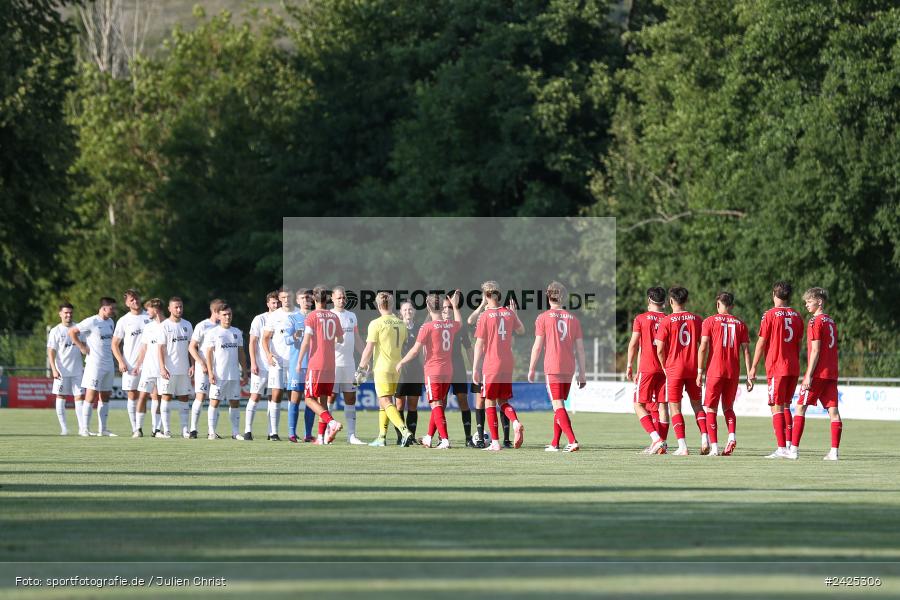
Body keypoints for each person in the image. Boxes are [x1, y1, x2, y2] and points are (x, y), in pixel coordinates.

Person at [397, 291, 462, 449]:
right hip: (448, 371)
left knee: (436, 403)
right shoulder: (450, 325)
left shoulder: (427, 327)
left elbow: (414, 351)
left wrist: (401, 362)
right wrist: (454, 305)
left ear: (428, 307)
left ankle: (445, 439)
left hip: (433, 371)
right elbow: (459, 322)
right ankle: (428, 437)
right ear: (442, 308)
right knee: (438, 404)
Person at [528, 281, 586, 453]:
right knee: (559, 405)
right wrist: (582, 373)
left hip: (553, 365)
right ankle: (554, 443)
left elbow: (537, 346)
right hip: (569, 366)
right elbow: (581, 349)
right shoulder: (574, 319)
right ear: (564, 297)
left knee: (557, 405)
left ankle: (572, 440)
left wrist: (531, 368)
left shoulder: (543, 317)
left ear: (548, 296)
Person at [749, 281, 803, 459]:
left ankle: (781, 448)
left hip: (777, 366)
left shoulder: (770, 315)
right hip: (793, 366)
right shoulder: (797, 315)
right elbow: (799, 343)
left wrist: (753, 367)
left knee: (776, 407)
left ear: (774, 294)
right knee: (787, 405)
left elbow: (761, 342)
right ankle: (788, 446)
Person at [472, 281, 526, 452]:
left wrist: (475, 368)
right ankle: (515, 422)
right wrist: (515, 315)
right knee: (503, 401)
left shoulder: (485, 316)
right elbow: (522, 331)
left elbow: (479, 345)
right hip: (508, 362)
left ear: (486, 296)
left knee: (489, 400)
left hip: (492, 363)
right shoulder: (509, 314)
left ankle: (495, 442)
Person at [357, 292, 416, 447]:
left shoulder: (376, 323)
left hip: (382, 367)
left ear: (378, 305)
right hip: (396, 368)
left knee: (385, 400)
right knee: (384, 402)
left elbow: (369, 348)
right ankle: (382, 437)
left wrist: (361, 367)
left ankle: (404, 431)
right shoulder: (401, 323)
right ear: (391, 305)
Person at [789, 288, 842, 460]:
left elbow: (816, 351)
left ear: (819, 301)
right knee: (834, 412)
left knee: (800, 408)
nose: (806, 305)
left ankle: (793, 450)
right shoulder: (831, 321)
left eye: (809, 301)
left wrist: (808, 375)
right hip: (831, 373)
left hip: (818, 374)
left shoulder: (815, 322)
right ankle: (834, 452)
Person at [696, 292, 752, 456]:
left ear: (718, 304)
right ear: (732, 306)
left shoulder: (709, 321)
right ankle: (732, 437)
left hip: (715, 370)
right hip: (733, 371)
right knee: (728, 408)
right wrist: (749, 374)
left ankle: (714, 448)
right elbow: (746, 351)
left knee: (711, 409)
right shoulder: (741, 324)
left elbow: (703, 346)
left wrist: (700, 371)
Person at [654, 287, 703, 456]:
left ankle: (683, 446)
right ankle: (706, 439)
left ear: (671, 301)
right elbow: (703, 346)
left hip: (675, 368)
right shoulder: (697, 319)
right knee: (698, 405)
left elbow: (659, 349)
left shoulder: (666, 321)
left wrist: (664, 365)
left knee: (675, 408)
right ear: (686, 301)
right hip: (693, 367)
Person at [296, 285, 344, 444]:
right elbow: (341, 339)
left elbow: (306, 340)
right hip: (331, 364)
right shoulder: (334, 316)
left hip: (316, 363)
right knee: (322, 401)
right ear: (329, 299)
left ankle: (332, 422)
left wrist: (299, 361)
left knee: (309, 399)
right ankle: (321, 438)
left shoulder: (311, 316)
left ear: (313, 299)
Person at [625, 287, 668, 454]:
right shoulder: (669, 318)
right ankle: (661, 444)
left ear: (649, 300)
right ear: (664, 301)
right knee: (662, 405)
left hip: (647, 366)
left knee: (638, 404)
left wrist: (629, 365)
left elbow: (634, 344)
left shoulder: (641, 318)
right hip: (665, 368)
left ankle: (656, 439)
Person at [69, 296, 117, 437]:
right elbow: (72, 332)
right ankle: (84, 428)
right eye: (111, 308)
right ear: (103, 308)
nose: (114, 311)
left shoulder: (111, 322)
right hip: (94, 365)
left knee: (105, 396)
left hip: (109, 364)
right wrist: (82, 346)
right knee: (90, 396)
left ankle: (103, 429)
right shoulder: (92, 321)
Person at [204, 303, 248, 440]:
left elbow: (241, 353)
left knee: (234, 402)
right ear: (219, 316)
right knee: (214, 401)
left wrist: (245, 371)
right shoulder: (213, 332)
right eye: (224, 314)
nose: (227, 317)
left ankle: (235, 432)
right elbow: (209, 354)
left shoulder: (237, 332)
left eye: (229, 314)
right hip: (219, 374)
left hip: (234, 374)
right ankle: (211, 432)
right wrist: (210, 372)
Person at [329, 285, 367, 444]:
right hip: (333, 364)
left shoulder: (352, 316)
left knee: (351, 398)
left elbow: (357, 338)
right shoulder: (329, 315)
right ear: (332, 298)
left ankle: (351, 436)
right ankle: (325, 433)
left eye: (344, 297)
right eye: (338, 297)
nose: (342, 300)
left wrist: (365, 358)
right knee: (330, 398)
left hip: (349, 364)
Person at [111, 289, 149, 436]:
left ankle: (153, 428)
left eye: (137, 298)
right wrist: (120, 361)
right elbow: (114, 344)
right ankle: (135, 429)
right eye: (131, 300)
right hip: (131, 365)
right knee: (132, 395)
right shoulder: (124, 320)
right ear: (127, 303)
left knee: (147, 395)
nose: (135, 301)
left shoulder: (149, 316)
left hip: (149, 364)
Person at [244, 291, 280, 440]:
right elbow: (252, 342)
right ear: (268, 304)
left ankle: (272, 432)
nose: (276, 305)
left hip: (277, 365)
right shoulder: (260, 319)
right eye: (273, 302)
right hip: (261, 365)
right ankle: (247, 431)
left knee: (274, 397)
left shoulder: (283, 318)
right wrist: (253, 362)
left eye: (278, 302)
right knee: (255, 396)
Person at [156, 297, 194, 438]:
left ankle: (185, 430)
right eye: (176, 307)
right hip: (169, 370)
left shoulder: (187, 325)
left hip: (184, 369)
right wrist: (162, 367)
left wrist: (192, 365)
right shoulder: (164, 326)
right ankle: (166, 430)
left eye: (181, 307)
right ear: (170, 309)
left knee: (184, 398)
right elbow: (160, 348)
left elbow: (191, 347)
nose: (179, 310)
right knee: (166, 397)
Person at [187, 299, 224, 438]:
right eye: (222, 312)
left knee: (216, 398)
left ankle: (211, 431)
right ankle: (193, 430)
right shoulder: (202, 325)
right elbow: (191, 347)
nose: (225, 315)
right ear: (215, 312)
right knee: (201, 396)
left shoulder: (224, 327)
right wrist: (201, 363)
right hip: (203, 368)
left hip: (218, 368)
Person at [442, 294, 475, 447]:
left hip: (458, 367)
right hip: (442, 367)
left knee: (463, 400)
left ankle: (468, 438)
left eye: (449, 307)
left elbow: (469, 348)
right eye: (443, 308)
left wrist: (475, 367)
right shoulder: (437, 326)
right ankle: (442, 438)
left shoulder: (459, 327)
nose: (446, 310)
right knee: (440, 403)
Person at [47, 302, 85, 435]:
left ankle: (82, 428)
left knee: (79, 397)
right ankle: (64, 428)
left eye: (70, 312)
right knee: (61, 396)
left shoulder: (78, 327)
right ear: (60, 314)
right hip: (62, 371)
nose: (68, 315)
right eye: (66, 312)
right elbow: (51, 351)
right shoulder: (55, 331)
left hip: (78, 370)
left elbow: (85, 345)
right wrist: (53, 368)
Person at [262, 288, 295, 441]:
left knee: (293, 396)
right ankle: (273, 432)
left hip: (295, 361)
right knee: (276, 394)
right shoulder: (274, 316)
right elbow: (265, 338)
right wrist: (268, 354)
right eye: (284, 297)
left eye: (289, 296)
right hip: (278, 361)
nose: (286, 299)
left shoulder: (299, 314)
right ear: (280, 299)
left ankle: (291, 433)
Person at [285, 288, 314, 443]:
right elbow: (286, 340)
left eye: (308, 298)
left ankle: (308, 434)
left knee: (311, 398)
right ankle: (291, 433)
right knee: (295, 398)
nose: (306, 301)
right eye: (303, 298)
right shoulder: (292, 318)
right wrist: (294, 336)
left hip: (314, 365)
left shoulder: (316, 317)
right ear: (297, 300)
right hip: (298, 365)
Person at [133, 298, 164, 437]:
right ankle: (138, 429)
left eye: (148, 309)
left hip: (163, 370)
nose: (147, 312)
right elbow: (144, 348)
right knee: (143, 396)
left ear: (155, 310)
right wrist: (138, 365)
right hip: (148, 369)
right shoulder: (148, 327)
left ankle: (156, 430)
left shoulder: (168, 325)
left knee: (158, 397)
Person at [394, 300, 423, 444]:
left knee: (413, 405)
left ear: (414, 312)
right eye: (405, 310)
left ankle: (411, 436)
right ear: (401, 312)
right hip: (400, 371)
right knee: (399, 405)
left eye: (410, 309)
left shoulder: (419, 328)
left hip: (415, 371)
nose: (408, 312)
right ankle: (401, 436)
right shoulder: (397, 327)